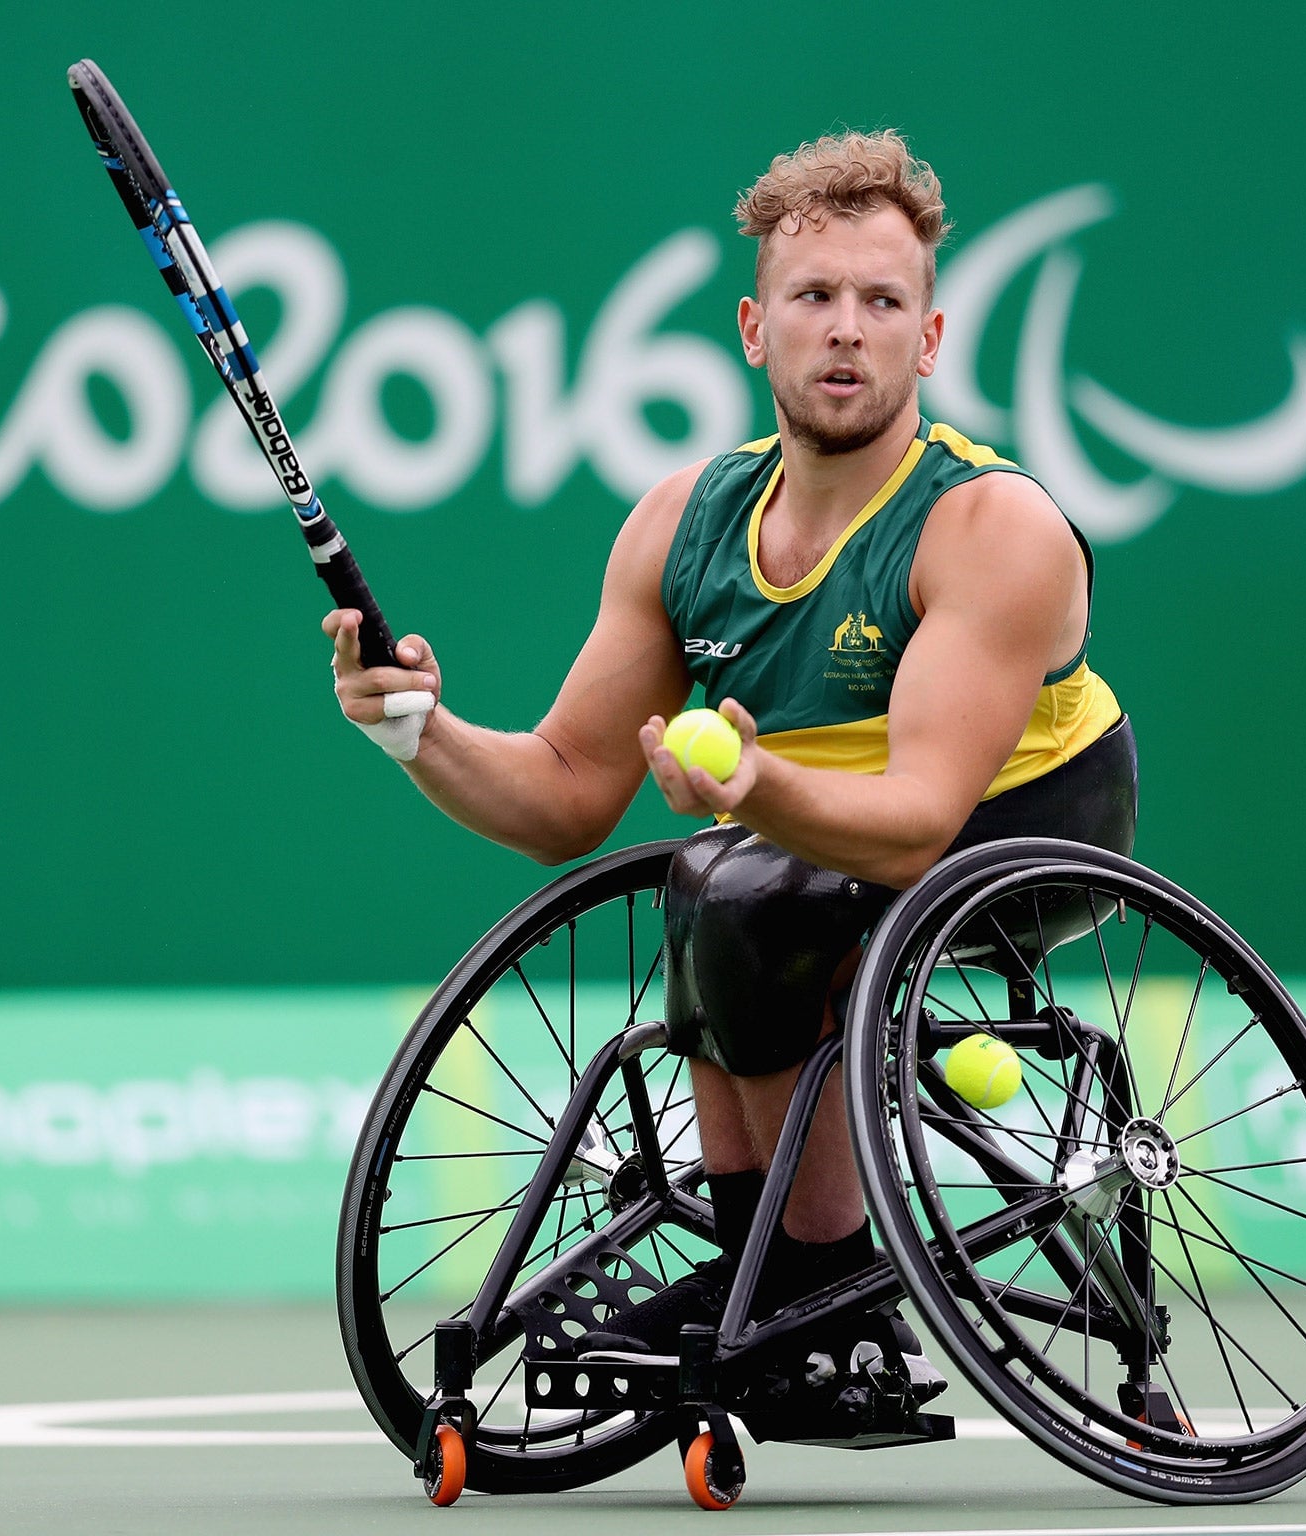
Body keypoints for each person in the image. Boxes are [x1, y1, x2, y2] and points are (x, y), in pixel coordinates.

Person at [323, 132, 1136, 1380]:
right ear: (756, 327)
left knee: (755, 885)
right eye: (814, 299)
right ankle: (770, 1267)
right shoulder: (681, 523)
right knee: (714, 882)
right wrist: (411, 729)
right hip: (809, 825)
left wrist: (753, 790)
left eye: (881, 303)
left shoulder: (986, 526)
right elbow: (560, 799)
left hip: (1031, 817)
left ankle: (821, 1293)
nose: (846, 331)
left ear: (926, 340)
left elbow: (918, 821)